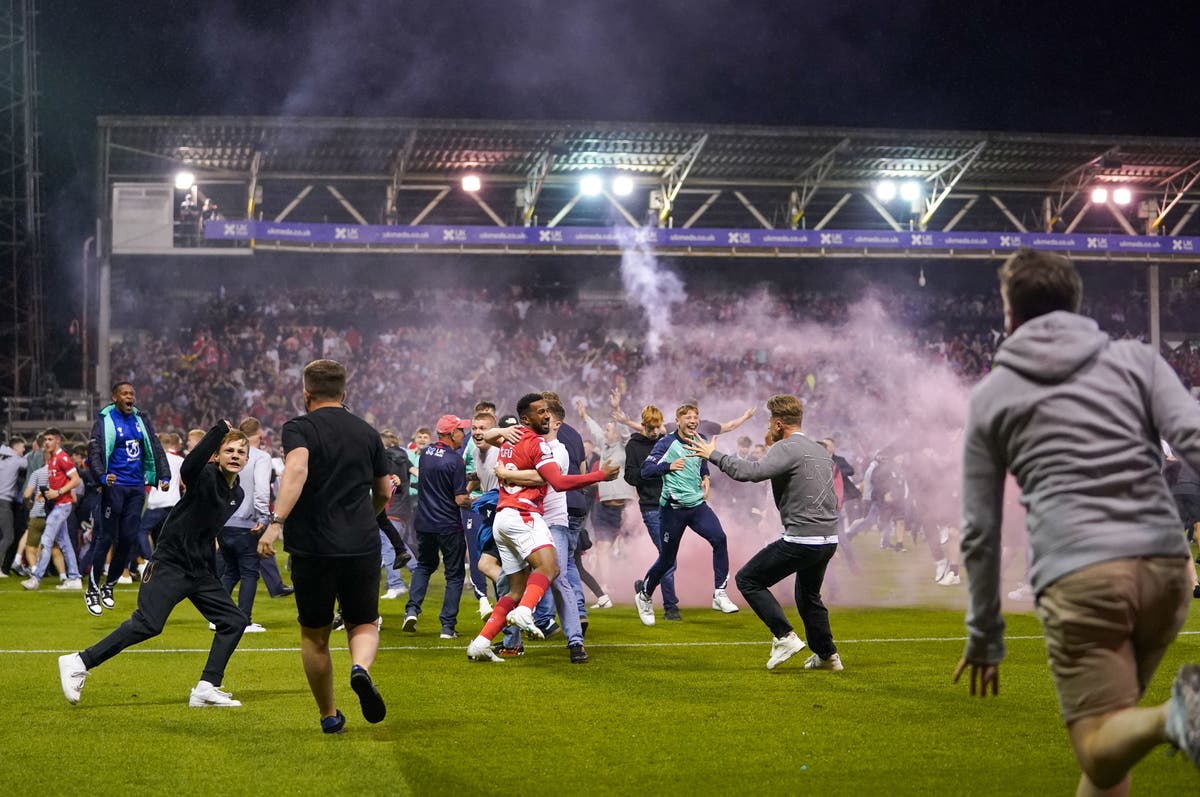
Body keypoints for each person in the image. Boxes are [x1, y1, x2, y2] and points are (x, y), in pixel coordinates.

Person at [956, 248, 1200, 791]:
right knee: (1116, 738)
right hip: (1166, 570)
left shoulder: (992, 395)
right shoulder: (1138, 360)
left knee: (1097, 748)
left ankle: (1176, 716)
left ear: (1009, 314)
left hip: (1081, 578)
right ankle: (1168, 719)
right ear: (1075, 302)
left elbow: (980, 529)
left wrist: (984, 636)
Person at [57, 422, 251, 708]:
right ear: (217, 455)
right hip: (170, 564)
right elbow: (187, 470)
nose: (235, 455)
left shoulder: (238, 494)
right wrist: (217, 431)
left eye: (241, 452)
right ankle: (78, 661)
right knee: (148, 624)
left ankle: (206, 687)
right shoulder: (206, 474)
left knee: (233, 621)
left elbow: (208, 534)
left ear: (247, 459)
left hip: (199, 571)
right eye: (229, 450)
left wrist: (212, 573)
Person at [256, 359, 392, 734]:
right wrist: (368, 514)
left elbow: (297, 470)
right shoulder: (367, 432)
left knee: (315, 634)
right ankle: (360, 669)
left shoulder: (299, 428)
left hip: (313, 547)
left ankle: (329, 715)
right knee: (363, 621)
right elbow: (384, 491)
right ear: (344, 393)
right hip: (361, 543)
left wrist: (276, 522)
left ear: (306, 393)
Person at [687, 395, 842, 671]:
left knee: (748, 579)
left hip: (802, 538)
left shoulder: (787, 447)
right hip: (828, 538)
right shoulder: (818, 450)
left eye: (770, 421)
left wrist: (713, 455)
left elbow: (752, 472)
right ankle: (827, 656)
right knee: (808, 596)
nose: (768, 426)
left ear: (780, 424)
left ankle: (784, 636)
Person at [464, 393, 618, 662]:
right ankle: (528, 614)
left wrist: (508, 468)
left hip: (505, 517)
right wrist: (600, 476)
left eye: (548, 412)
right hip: (526, 515)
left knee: (515, 587)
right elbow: (557, 481)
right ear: (526, 418)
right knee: (552, 569)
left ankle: (481, 642)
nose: (546, 416)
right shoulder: (540, 445)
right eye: (541, 412)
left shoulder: (514, 441)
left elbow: (491, 441)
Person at [633, 403, 737, 626]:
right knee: (667, 559)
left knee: (720, 539)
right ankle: (644, 595)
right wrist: (668, 466)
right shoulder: (666, 443)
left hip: (697, 506)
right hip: (672, 510)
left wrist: (705, 476)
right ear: (678, 421)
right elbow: (646, 470)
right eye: (688, 417)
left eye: (695, 417)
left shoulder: (700, 440)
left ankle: (719, 593)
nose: (693, 420)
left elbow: (701, 462)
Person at [85, 382, 170, 615]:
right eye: (125, 393)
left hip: (136, 487)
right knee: (105, 538)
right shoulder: (105, 420)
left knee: (129, 539)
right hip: (114, 487)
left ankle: (109, 585)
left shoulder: (141, 419)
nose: (130, 396)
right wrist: (102, 476)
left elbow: (155, 446)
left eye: (132, 393)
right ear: (115, 397)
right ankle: (92, 589)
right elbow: (94, 451)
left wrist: (164, 474)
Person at [402, 414, 472, 638]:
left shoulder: (425, 454)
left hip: (424, 523)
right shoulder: (455, 460)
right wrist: (477, 499)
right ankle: (447, 626)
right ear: (452, 434)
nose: (464, 434)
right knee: (454, 575)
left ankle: (412, 610)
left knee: (424, 566)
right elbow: (460, 499)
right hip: (448, 525)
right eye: (461, 430)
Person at [218, 418, 273, 633]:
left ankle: (217, 617)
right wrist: (263, 517)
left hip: (223, 521)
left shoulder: (225, 453)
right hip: (247, 523)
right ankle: (244, 620)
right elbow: (261, 489)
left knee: (230, 571)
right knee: (249, 573)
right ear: (258, 434)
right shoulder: (260, 458)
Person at [624, 405, 679, 620]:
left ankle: (645, 586)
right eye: (651, 428)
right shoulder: (634, 445)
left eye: (658, 427)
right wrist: (653, 471)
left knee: (668, 556)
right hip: (651, 506)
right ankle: (670, 607)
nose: (656, 432)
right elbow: (629, 476)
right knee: (667, 556)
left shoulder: (668, 442)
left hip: (673, 504)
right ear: (644, 425)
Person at [21, 429, 83, 591]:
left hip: (62, 505)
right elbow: (57, 483)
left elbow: (76, 480)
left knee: (46, 540)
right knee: (65, 543)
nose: (46, 442)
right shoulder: (53, 459)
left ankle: (36, 578)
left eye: (49, 439)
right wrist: (45, 494)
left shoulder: (63, 458)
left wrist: (58, 492)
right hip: (58, 504)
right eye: (45, 439)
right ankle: (75, 578)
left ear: (58, 441)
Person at [0, 431, 27, 576]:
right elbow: (31, 464)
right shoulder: (17, 460)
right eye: (22, 447)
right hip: (4, 502)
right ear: (16, 448)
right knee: (9, 536)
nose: (23, 450)